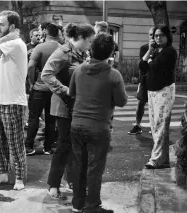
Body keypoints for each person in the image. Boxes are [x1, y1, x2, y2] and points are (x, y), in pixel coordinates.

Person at [69, 32, 128, 213]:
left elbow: (71, 92)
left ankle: (78, 204)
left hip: (77, 124)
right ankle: (92, 206)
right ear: (111, 52)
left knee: (79, 165)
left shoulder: (79, 70)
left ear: (91, 49)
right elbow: (121, 101)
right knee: (95, 168)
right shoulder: (114, 75)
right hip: (99, 127)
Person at [41, 23, 95, 200]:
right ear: (80, 38)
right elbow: (46, 74)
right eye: (90, 40)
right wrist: (66, 90)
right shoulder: (62, 52)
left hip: (77, 107)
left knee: (76, 146)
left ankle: (71, 181)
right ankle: (53, 185)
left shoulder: (82, 53)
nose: (91, 44)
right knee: (64, 146)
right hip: (64, 107)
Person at [0, 10, 28, 190]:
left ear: (11, 26)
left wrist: (7, 37)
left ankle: (19, 177)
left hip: (12, 101)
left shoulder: (15, 43)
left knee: (15, 142)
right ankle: (3, 173)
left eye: (2, 25)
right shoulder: (9, 44)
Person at [140, 25, 177, 169]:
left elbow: (154, 67)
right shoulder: (155, 51)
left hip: (164, 91)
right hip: (152, 91)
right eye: (155, 36)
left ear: (168, 37)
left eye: (161, 35)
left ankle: (156, 159)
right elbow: (142, 66)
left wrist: (149, 62)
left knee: (161, 126)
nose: (158, 38)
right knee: (155, 126)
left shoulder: (169, 51)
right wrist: (149, 51)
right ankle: (162, 158)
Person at [25, 23, 61, 156]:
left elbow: (30, 66)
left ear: (46, 33)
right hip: (54, 89)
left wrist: (32, 81)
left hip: (39, 87)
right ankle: (48, 147)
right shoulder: (61, 49)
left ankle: (28, 146)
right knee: (51, 119)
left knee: (34, 117)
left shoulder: (39, 47)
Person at [128, 27, 155, 135]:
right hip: (145, 79)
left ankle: (154, 126)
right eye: (150, 35)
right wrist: (150, 50)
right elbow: (143, 65)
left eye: (155, 35)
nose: (152, 37)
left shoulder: (163, 49)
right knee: (141, 102)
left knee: (155, 105)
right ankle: (138, 125)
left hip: (157, 80)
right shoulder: (144, 48)